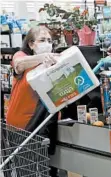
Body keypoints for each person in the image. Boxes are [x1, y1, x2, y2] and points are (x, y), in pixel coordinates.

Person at [6, 26, 60, 177]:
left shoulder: (54, 62)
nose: (47, 43)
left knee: (47, 168)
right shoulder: (22, 55)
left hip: (44, 123)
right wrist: (43, 58)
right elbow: (18, 65)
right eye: (42, 40)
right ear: (31, 44)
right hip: (21, 124)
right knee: (26, 168)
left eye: (49, 40)